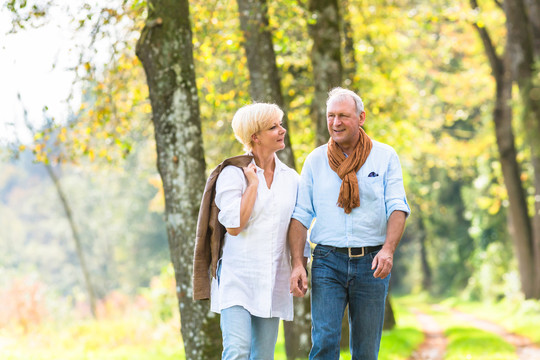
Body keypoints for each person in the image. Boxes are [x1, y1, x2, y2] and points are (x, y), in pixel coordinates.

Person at [288, 87, 410, 360]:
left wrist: (388, 250)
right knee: (325, 343)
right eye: (331, 116)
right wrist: (298, 262)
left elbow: (397, 207)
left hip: (372, 262)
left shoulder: (385, 156)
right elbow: (300, 215)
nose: (336, 122)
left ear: (361, 117)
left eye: (343, 115)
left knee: (366, 351)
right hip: (327, 261)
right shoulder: (316, 160)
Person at [206, 103, 301, 359]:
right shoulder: (232, 174)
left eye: (280, 124)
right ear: (255, 137)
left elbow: (297, 224)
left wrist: (299, 265)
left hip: (272, 278)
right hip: (237, 278)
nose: (282, 130)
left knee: (262, 356)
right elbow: (234, 226)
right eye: (274, 127)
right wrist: (253, 185)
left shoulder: (291, 179)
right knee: (237, 351)